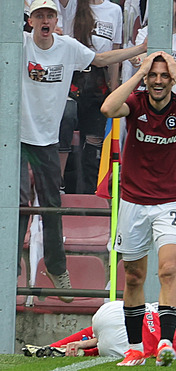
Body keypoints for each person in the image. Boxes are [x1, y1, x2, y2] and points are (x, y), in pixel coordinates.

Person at [18, 0, 146, 303]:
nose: (45, 20)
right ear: (31, 20)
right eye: (40, 15)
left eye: (50, 15)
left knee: (52, 204)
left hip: (48, 140)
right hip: (18, 138)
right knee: (19, 202)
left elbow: (101, 59)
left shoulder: (68, 46)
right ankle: (11, 266)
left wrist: (140, 50)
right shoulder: (18, 43)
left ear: (57, 19)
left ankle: (56, 266)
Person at [100, 51, 176, 367]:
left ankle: (165, 341)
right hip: (133, 201)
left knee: (168, 269)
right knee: (133, 276)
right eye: (154, 76)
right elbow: (108, 108)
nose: (159, 81)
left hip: (171, 200)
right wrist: (139, 73)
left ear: (171, 79)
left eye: (164, 76)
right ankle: (134, 348)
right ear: (146, 78)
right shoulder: (135, 102)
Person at [58, 0, 123, 194]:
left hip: (99, 82)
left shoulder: (114, 10)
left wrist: (114, 89)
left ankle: (90, 193)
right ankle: (59, 185)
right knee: (65, 126)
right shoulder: (73, 5)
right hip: (73, 76)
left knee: (93, 142)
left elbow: (115, 51)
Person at [25, 301, 176, 359]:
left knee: (111, 331)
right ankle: (84, 350)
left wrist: (83, 341)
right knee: (129, 347)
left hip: (109, 310)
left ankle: (54, 347)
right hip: (118, 341)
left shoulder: (175, 315)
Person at [134, 0, 176, 74]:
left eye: (167, 2)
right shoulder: (145, 32)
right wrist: (137, 59)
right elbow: (138, 62)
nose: (162, 6)